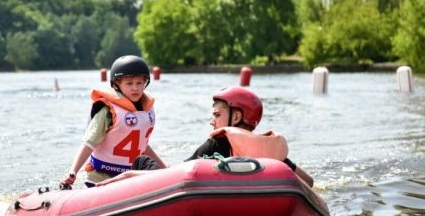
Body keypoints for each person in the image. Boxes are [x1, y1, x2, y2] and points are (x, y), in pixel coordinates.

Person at [97, 86, 314, 188]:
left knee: (141, 160)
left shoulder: (217, 143)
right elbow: (309, 182)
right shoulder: (268, 151)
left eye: (217, 115)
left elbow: (180, 175)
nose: (212, 122)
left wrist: (118, 180)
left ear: (236, 116)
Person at [60, 55, 166, 188]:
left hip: (132, 177)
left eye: (140, 83)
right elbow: (89, 143)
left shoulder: (146, 110)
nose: (135, 88)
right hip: (102, 178)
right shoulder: (108, 111)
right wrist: (73, 171)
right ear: (117, 84)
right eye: (129, 83)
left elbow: (142, 146)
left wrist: (165, 169)